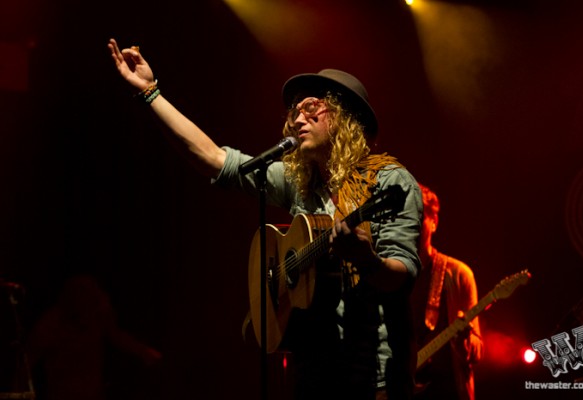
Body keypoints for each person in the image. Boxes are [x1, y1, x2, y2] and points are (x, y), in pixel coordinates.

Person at [107, 38, 423, 400]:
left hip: (375, 381)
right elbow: (213, 158)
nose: (298, 118)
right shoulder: (302, 182)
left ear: (345, 116)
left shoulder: (390, 182)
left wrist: (366, 259)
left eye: (312, 108)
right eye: (295, 111)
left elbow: (402, 275)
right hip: (313, 375)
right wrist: (150, 92)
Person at [25, 274, 162, 400]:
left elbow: (116, 335)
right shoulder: (50, 325)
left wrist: (143, 351)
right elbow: (26, 363)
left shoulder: (97, 316)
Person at [412, 184, 483, 400]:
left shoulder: (459, 274)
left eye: (418, 216)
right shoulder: (392, 275)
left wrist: (464, 343)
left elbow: (477, 350)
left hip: (447, 392)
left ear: (434, 222)